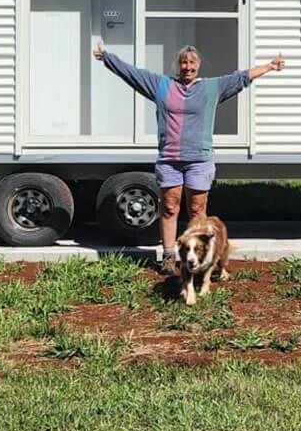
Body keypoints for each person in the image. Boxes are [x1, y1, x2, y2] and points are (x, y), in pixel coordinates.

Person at [93, 40, 286, 274]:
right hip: (169, 159)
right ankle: (168, 256)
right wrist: (107, 57)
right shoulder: (161, 85)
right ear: (178, 65)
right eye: (184, 62)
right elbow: (132, 74)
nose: (187, 66)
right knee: (170, 208)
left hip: (199, 160)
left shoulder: (212, 88)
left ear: (199, 65)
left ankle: (203, 256)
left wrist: (270, 66)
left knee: (197, 209)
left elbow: (242, 78)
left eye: (192, 62)